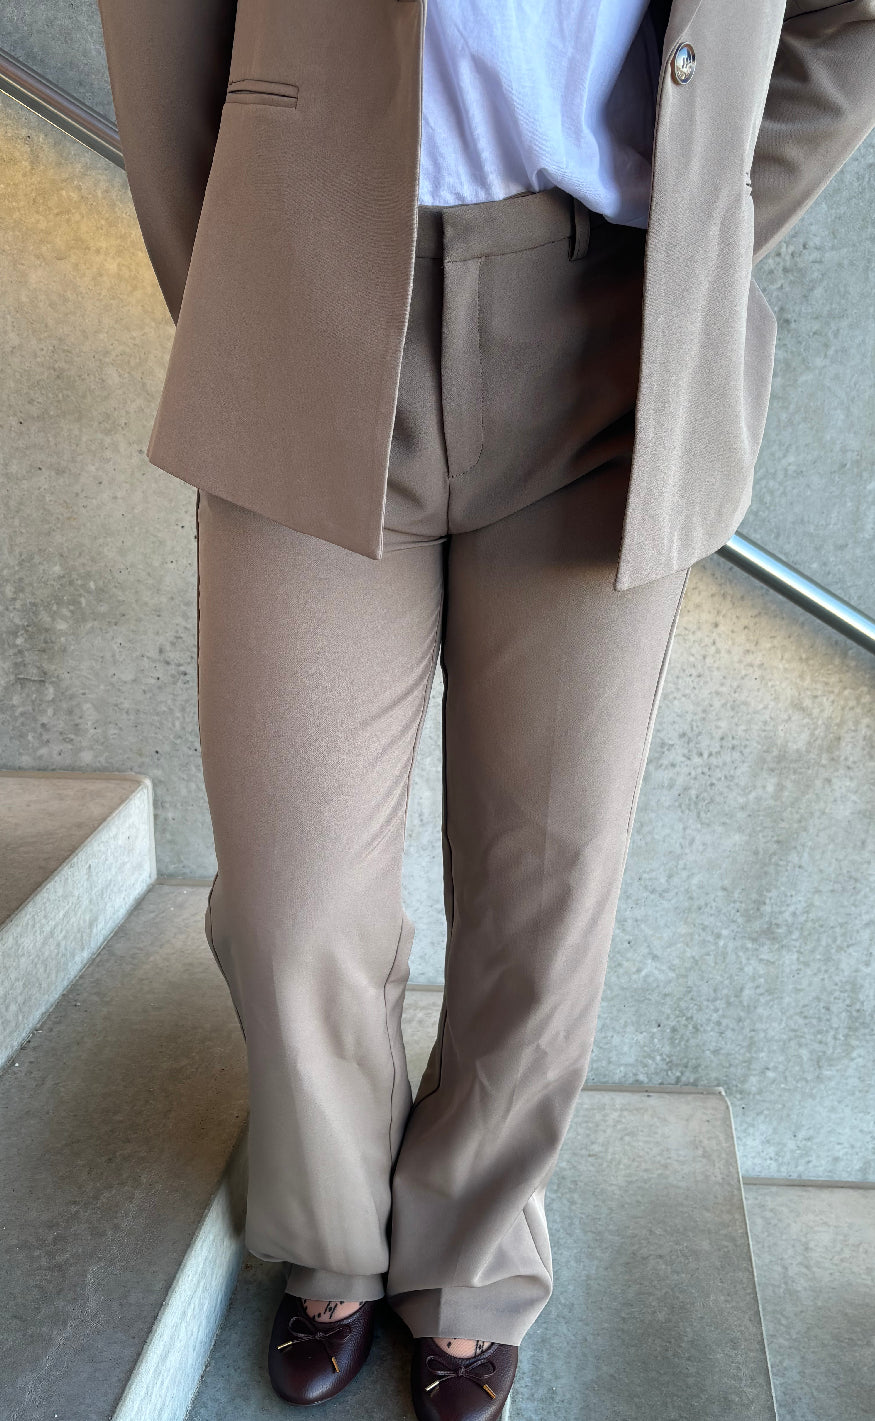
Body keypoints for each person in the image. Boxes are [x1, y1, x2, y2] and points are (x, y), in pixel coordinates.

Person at [96, 0, 875, 1415]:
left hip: (613, 332)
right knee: (292, 903)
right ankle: (331, 1224)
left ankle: (472, 1258)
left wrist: (707, 230)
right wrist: (230, 280)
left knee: (546, 884)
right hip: (313, 291)